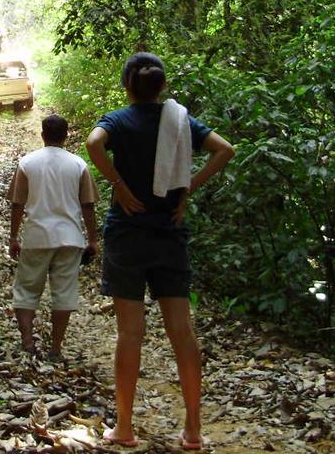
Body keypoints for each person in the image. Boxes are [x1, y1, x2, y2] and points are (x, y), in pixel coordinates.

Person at [86, 53, 234, 450]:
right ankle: (193, 429)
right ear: (162, 86)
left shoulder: (118, 120)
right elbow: (225, 149)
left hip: (127, 234)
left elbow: (93, 143)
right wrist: (188, 188)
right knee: (181, 331)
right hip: (170, 232)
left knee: (130, 333)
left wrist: (118, 184)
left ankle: (125, 427)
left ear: (127, 86)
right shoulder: (180, 120)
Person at [8, 115, 99, 360]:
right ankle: (56, 347)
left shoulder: (27, 163)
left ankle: (28, 342)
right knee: (64, 293)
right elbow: (88, 205)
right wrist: (93, 239)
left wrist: (13, 237)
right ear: (66, 135)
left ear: (42, 135)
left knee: (27, 289)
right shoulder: (78, 164)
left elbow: (17, 204)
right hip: (70, 237)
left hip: (36, 236)